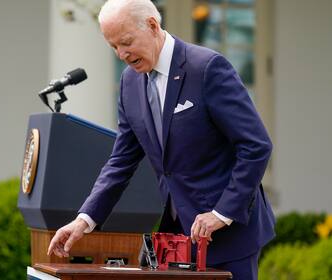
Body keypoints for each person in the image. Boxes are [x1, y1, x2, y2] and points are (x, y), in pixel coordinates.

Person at [48, 0, 275, 279]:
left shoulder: (207, 68)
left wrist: (221, 212)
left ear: (153, 26)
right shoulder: (129, 83)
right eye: (113, 47)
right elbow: (121, 161)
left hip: (230, 235)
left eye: (126, 42)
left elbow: (256, 146)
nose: (121, 53)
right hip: (176, 239)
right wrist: (84, 220)